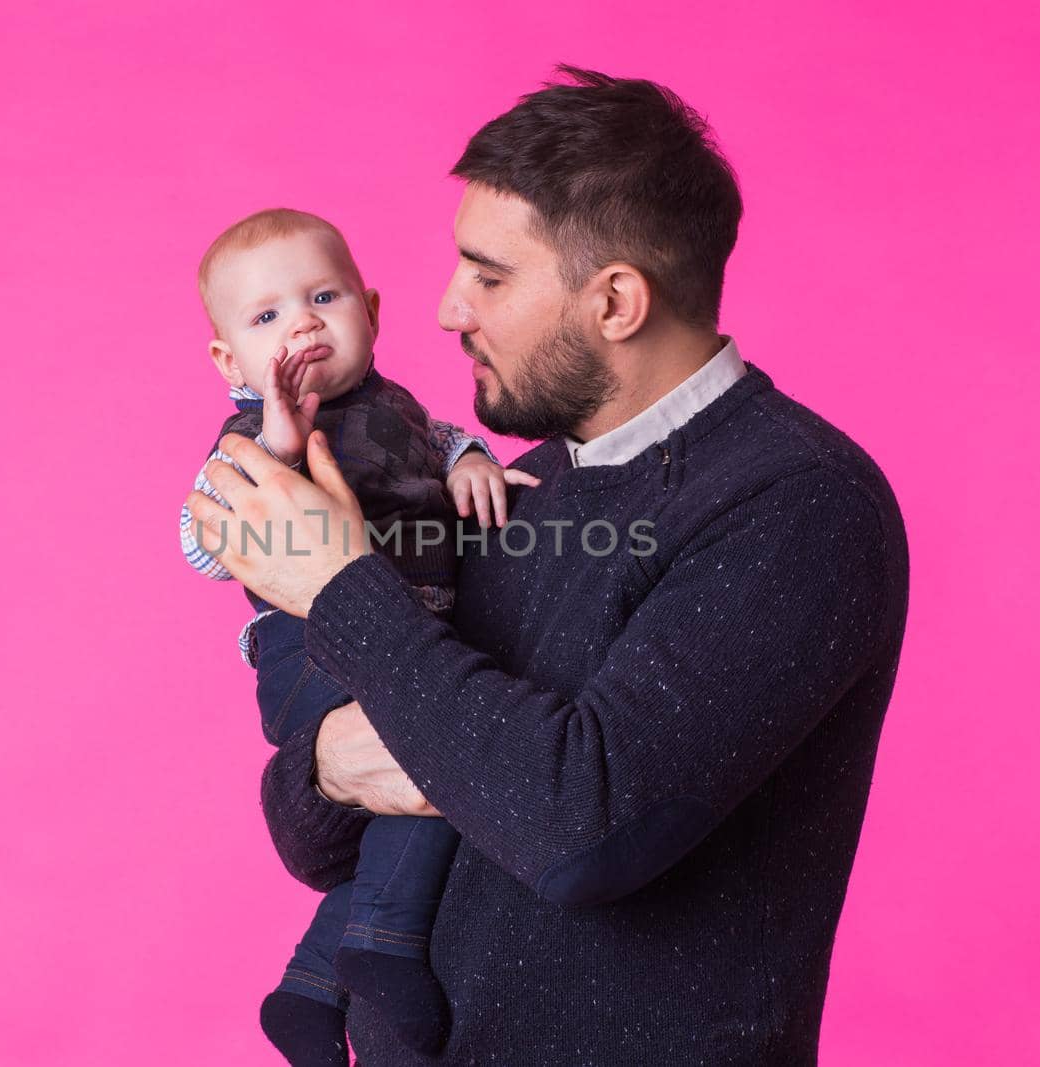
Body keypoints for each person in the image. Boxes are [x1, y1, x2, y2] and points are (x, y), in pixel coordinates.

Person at [188, 67, 911, 1065]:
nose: (446, 309)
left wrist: (338, 584)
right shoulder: (509, 491)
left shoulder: (798, 505)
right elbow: (311, 838)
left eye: (487, 275)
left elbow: (580, 827)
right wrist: (323, 765)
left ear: (613, 300)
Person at [178, 208, 537, 1065]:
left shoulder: (399, 408)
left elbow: (441, 441)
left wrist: (472, 461)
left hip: (399, 632)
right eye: (266, 317)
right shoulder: (252, 443)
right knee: (448, 752)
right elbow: (199, 546)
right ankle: (381, 941)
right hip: (311, 649)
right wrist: (279, 442)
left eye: (323, 296)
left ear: (371, 312)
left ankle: (310, 986)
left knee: (433, 769)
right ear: (231, 361)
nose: (301, 322)